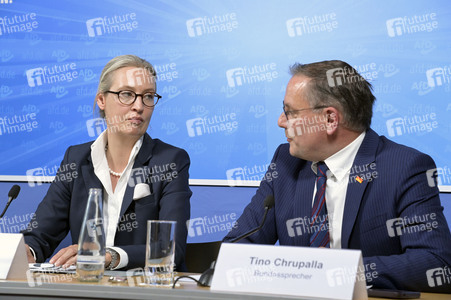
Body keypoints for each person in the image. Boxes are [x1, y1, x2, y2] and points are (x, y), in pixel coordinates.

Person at [224, 60, 451, 292]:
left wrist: (341, 270)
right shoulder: (285, 162)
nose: (280, 121)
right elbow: (236, 249)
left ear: (330, 119)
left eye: (289, 112)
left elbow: (436, 263)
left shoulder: (404, 167)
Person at [23, 55, 192, 271]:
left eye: (148, 97)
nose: (138, 106)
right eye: (127, 94)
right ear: (101, 100)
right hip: (88, 287)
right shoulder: (76, 159)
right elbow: (41, 234)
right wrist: (26, 251)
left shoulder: (170, 161)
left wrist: (110, 256)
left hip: (145, 290)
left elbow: (171, 251)